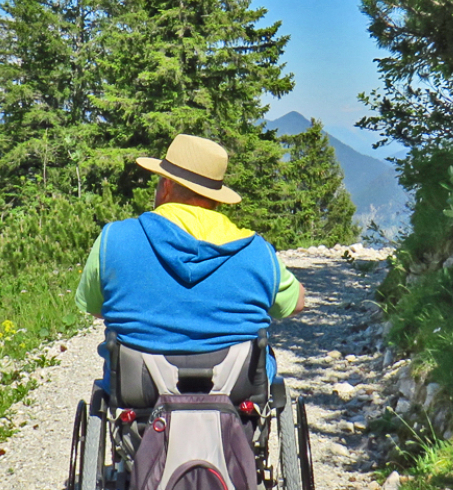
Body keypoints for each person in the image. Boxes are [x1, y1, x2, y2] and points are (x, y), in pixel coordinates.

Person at [75, 134, 302, 383]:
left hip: (138, 387)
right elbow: (294, 305)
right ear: (216, 196)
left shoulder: (113, 239)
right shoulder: (256, 250)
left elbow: (96, 307)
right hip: (236, 388)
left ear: (167, 186)